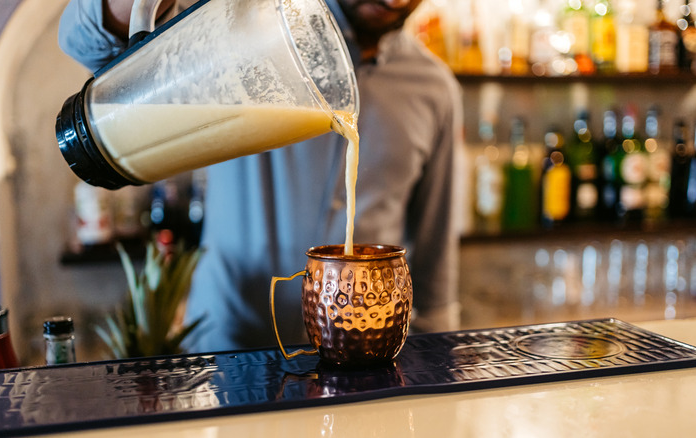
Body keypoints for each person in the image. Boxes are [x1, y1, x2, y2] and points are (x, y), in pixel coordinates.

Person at [58, 0, 464, 352]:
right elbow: (85, 40)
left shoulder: (434, 88)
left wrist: (436, 370)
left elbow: (434, 259)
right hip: (227, 353)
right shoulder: (250, 28)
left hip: (359, 363)